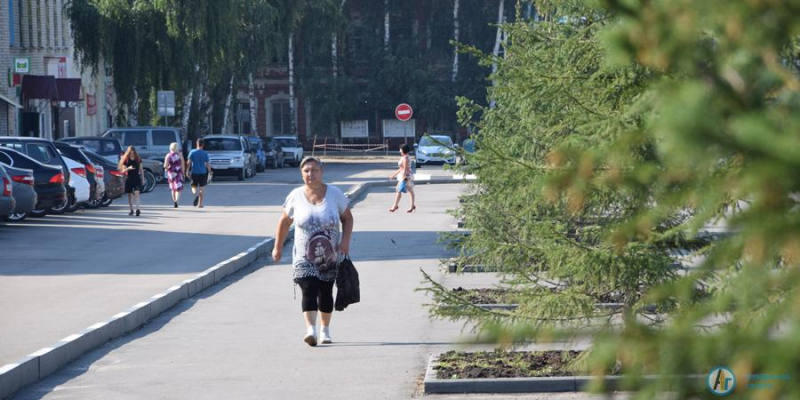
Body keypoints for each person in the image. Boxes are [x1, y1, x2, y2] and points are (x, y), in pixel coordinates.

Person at [273, 156, 354, 347]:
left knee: (325, 292)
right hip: (303, 255)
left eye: (314, 170)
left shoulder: (335, 194)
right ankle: (311, 330)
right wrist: (277, 246)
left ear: (321, 172)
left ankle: (325, 330)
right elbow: (284, 221)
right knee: (308, 289)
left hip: (329, 254)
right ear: (302, 174)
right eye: (306, 171)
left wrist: (345, 241)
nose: (310, 174)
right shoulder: (295, 196)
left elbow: (348, 218)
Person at [388, 144, 416, 213]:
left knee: (399, 189)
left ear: (404, 150)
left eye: (400, 149)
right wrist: (394, 175)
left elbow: (406, 168)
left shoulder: (405, 158)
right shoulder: (404, 157)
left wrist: (403, 177)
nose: (399, 150)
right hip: (406, 175)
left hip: (406, 176)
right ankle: (411, 205)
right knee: (409, 190)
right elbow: (401, 168)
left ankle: (395, 206)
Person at [119, 146, 144, 216]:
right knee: (130, 195)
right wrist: (128, 168)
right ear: (128, 152)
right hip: (129, 178)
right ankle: (131, 210)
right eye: (130, 153)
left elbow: (141, 170)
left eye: (133, 153)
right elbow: (123, 170)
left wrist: (143, 178)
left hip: (136, 177)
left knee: (137, 193)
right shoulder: (126, 159)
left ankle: (138, 209)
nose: (132, 154)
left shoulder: (138, 159)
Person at [186, 138, 211, 208]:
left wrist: (187, 170)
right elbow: (207, 164)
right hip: (203, 172)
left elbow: (188, 162)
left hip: (194, 172)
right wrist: (210, 171)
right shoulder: (205, 153)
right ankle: (200, 204)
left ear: (196, 144)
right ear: (203, 145)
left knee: (193, 186)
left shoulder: (192, 152)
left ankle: (195, 195)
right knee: (202, 188)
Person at [164, 142, 185, 208]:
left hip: (171, 173)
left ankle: (174, 201)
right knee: (178, 188)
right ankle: (177, 201)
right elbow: (182, 164)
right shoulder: (180, 155)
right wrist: (183, 172)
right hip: (178, 172)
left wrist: (167, 168)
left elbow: (165, 165)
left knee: (173, 188)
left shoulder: (168, 155)